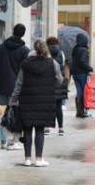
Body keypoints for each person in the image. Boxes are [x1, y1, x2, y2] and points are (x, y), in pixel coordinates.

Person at [10, 39, 64, 167]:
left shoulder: (26, 64)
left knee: (27, 129)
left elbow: (19, 83)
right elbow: (59, 80)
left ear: (34, 49)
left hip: (27, 100)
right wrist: (50, 84)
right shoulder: (52, 63)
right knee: (40, 129)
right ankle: (39, 159)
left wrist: (13, 99)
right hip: (45, 100)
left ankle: (27, 158)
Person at [0, 24, 30, 149]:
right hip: (17, 88)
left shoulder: (1, 48)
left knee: (3, 113)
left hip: (3, 85)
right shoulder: (25, 51)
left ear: (13, 32)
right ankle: (11, 141)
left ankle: (3, 140)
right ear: (23, 34)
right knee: (14, 114)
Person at [46, 36, 68, 136]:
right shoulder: (61, 53)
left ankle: (47, 128)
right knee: (58, 106)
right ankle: (61, 129)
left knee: (47, 106)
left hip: (48, 82)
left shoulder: (45, 52)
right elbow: (63, 65)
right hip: (59, 82)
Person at [70, 32, 94, 118]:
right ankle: (82, 111)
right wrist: (91, 68)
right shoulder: (83, 50)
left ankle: (78, 112)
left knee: (79, 91)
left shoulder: (75, 49)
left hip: (75, 74)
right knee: (84, 91)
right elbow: (83, 61)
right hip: (82, 74)